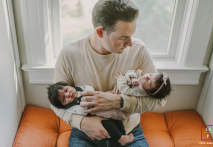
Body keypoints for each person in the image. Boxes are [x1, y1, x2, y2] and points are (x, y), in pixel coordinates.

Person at [51, 0, 168, 146]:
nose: (130, 43)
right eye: (122, 37)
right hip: (86, 133)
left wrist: (120, 102)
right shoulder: (69, 54)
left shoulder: (138, 50)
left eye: (131, 35)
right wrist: (82, 122)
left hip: (129, 132)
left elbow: (160, 98)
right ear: (100, 32)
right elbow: (55, 102)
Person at [47, 82, 134, 145]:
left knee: (118, 121)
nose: (68, 94)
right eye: (64, 99)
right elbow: (81, 111)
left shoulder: (78, 88)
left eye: (66, 90)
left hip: (103, 100)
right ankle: (120, 138)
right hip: (97, 115)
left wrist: (88, 92)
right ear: (64, 105)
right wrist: (86, 101)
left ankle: (123, 135)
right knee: (109, 124)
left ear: (68, 85)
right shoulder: (71, 107)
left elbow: (88, 87)